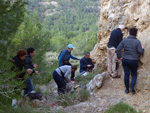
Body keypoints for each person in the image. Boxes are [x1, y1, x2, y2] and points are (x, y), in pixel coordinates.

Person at [117, 28, 144, 94]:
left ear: (129, 33)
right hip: (134, 60)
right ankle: (132, 88)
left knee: (126, 75)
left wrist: (120, 57)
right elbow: (140, 52)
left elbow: (118, 49)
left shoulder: (124, 40)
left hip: (125, 60)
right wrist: (142, 48)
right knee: (134, 74)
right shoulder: (137, 42)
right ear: (136, 33)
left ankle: (126, 90)